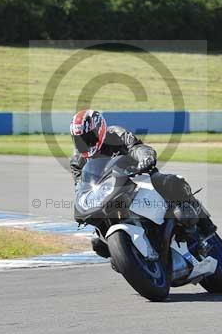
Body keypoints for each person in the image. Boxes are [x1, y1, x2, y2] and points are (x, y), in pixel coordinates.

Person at [69, 109, 205, 256]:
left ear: (99, 130)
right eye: (79, 139)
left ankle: (199, 228)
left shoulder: (115, 134)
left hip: (138, 178)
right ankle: (131, 258)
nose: (84, 142)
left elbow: (136, 148)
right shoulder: (77, 161)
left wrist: (145, 158)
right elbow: (81, 186)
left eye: (88, 136)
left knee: (173, 182)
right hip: (108, 194)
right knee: (98, 243)